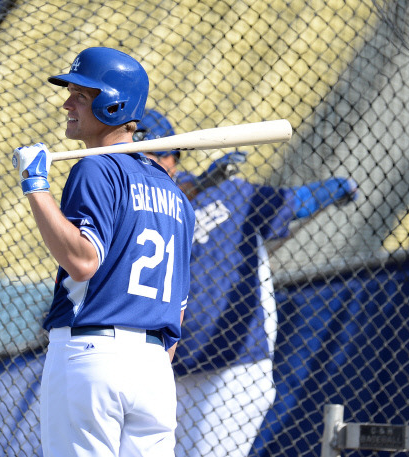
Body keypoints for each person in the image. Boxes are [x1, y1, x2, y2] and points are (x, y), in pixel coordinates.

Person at [134, 109, 359, 457]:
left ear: (173, 157)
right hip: (168, 370)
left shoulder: (230, 192)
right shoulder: (133, 209)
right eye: (135, 156)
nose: (145, 163)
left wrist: (332, 188)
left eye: (154, 153)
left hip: (235, 367)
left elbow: (294, 203)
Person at [11, 47, 195, 457]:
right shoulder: (175, 195)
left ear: (113, 104)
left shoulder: (95, 168)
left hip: (91, 357)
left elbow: (81, 261)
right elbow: (179, 306)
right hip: (154, 373)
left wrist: (35, 186)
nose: (67, 103)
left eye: (80, 94)